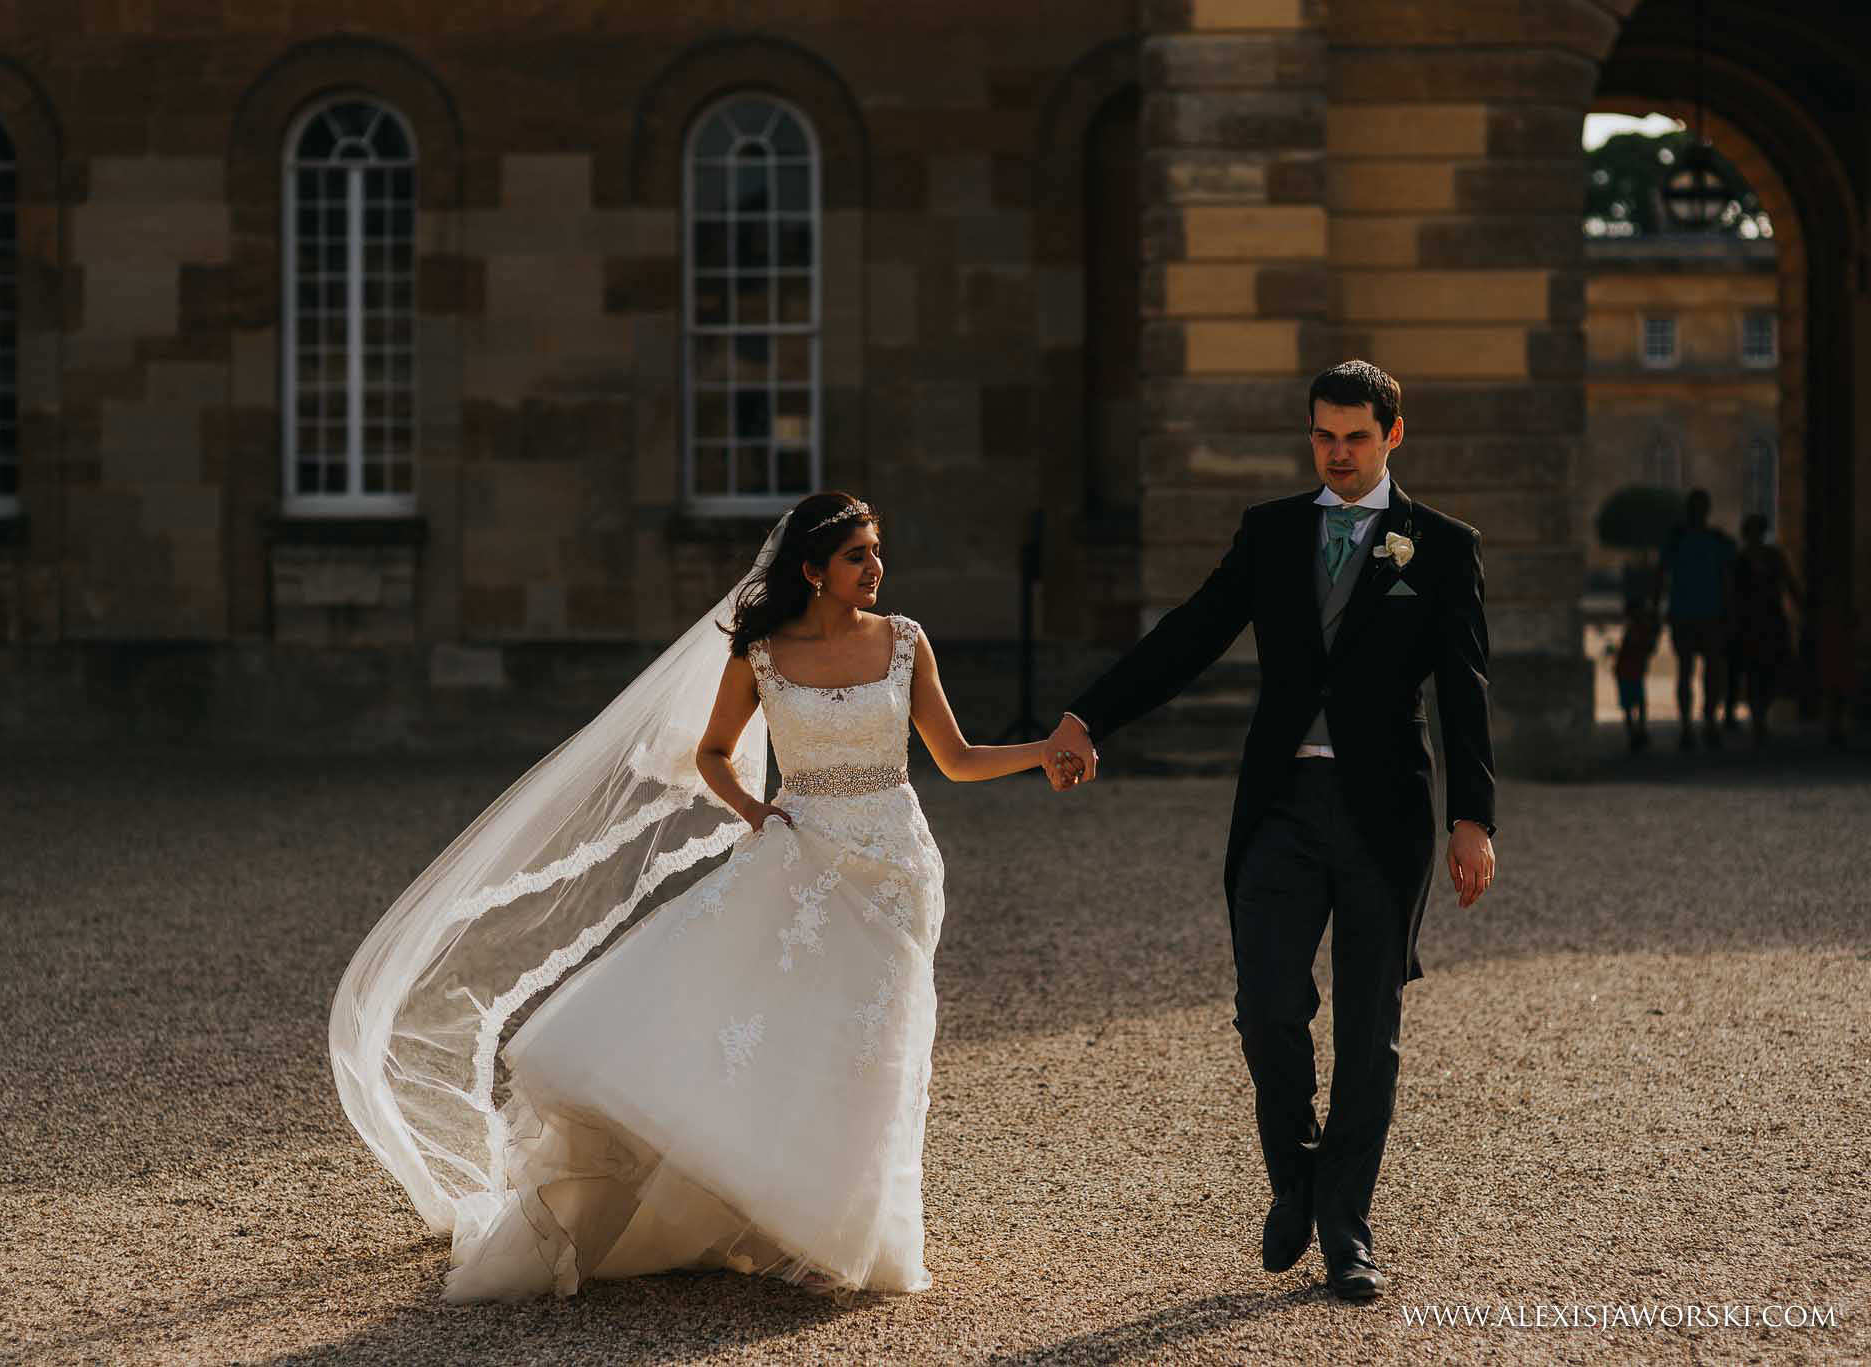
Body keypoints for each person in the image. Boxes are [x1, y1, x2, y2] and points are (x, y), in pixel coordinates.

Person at [330, 492, 1069, 1303]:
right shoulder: (759, 652)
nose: (875, 568)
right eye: (858, 555)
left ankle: (855, 1232)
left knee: (879, 1045)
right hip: (801, 849)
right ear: (813, 570)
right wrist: (755, 810)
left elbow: (956, 759)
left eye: (876, 552)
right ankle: (771, 1207)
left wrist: (1046, 750)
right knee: (785, 1028)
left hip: (896, 866)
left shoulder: (905, 642)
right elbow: (714, 752)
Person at [1037, 360, 1498, 1303]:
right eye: (1324, 435)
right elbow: (1190, 633)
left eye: (1356, 437)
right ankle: (1296, 1177)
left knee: (1371, 1029)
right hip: (1280, 808)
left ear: (1392, 436)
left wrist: (1472, 817)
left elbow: (1464, 690)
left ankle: (1347, 1231)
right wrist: (1089, 715)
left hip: (1386, 818)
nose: (1337, 452)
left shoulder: (1440, 546)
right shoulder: (1272, 532)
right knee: (1268, 1007)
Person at [1654, 489, 1737, 751]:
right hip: (1691, 614)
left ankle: (1705, 721)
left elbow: (1727, 579)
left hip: (1702, 613)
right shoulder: (1687, 541)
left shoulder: (1705, 541)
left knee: (1705, 671)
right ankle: (1692, 724)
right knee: (1690, 671)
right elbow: (1662, 576)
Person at [1727, 513, 1801, 746]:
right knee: (1752, 671)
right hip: (1749, 622)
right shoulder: (1739, 560)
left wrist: (1800, 604)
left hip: (1770, 620)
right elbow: (1731, 592)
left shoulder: (1774, 557)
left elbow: (1789, 582)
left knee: (1770, 670)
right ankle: (1758, 717)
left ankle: (1761, 712)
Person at [1610, 596, 1660, 753]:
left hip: (1628, 672)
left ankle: (1635, 732)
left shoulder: (1636, 629)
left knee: (1630, 705)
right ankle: (1637, 731)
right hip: (1631, 672)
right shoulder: (1640, 629)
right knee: (1637, 703)